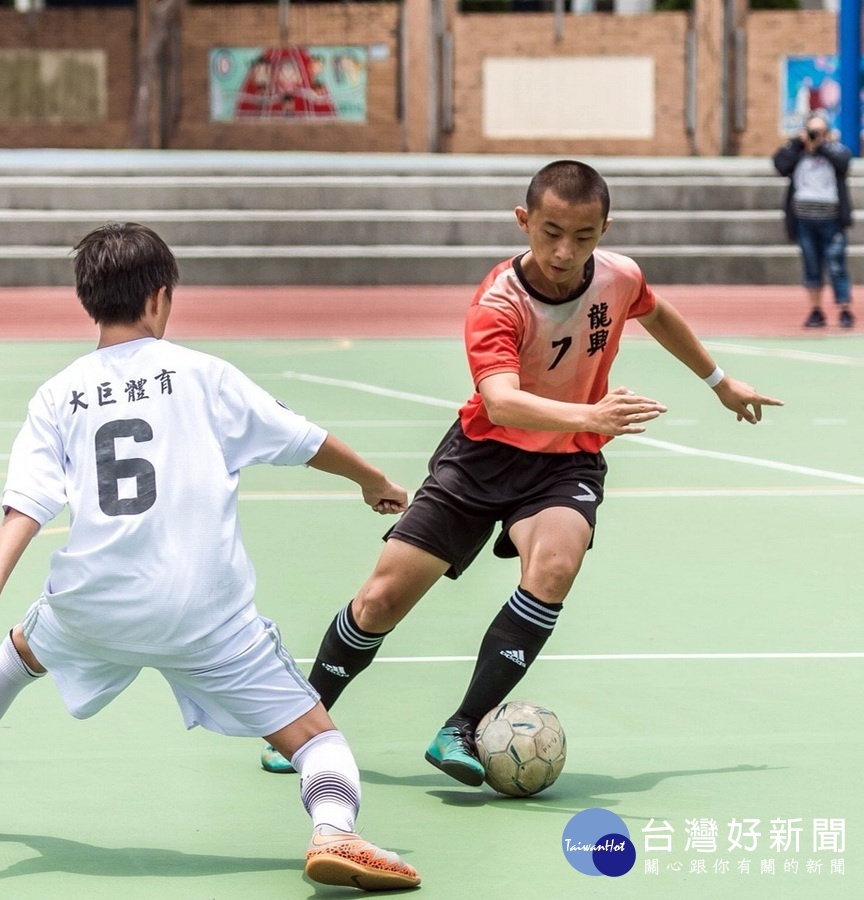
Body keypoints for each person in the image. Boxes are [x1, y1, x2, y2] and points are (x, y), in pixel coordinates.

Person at [0, 223, 421, 892]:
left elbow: (26, 502)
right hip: (206, 610)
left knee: (17, 658)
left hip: (96, 602)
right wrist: (373, 481)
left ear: (88, 300)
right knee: (315, 737)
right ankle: (335, 832)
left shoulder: (58, 394)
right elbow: (307, 440)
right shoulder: (204, 375)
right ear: (161, 298)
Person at [258, 160, 784, 785]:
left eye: (584, 236)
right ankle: (306, 722)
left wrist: (721, 383)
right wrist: (591, 410)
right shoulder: (496, 301)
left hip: (566, 463)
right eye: (551, 231)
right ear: (523, 221)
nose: (565, 251)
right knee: (380, 599)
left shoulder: (619, 277)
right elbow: (501, 400)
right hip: (482, 458)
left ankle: (461, 726)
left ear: (605, 229)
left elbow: (657, 313)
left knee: (556, 565)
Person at [773, 110, 855, 329]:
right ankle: (816, 310)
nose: (814, 135)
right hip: (804, 219)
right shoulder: (798, 153)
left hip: (831, 219)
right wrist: (798, 143)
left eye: (819, 131)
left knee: (837, 265)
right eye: (811, 130)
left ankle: (844, 309)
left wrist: (822, 145)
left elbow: (844, 163)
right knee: (811, 266)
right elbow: (780, 165)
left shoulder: (835, 150)